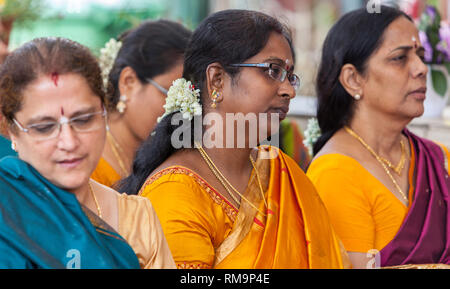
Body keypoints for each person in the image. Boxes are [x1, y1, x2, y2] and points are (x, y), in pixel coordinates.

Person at [120, 9, 349, 269]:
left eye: (290, 76)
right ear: (217, 80)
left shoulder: (281, 172)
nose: (288, 91)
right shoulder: (175, 191)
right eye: (272, 70)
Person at [0, 37, 175, 269]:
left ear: (104, 112)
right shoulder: (6, 209)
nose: (69, 142)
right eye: (44, 127)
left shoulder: (137, 219)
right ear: (12, 131)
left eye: (83, 120)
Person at [306, 6, 450, 269]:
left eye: (420, 55)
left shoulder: (439, 159)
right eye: (400, 58)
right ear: (353, 79)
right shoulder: (335, 173)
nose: (421, 68)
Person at [91, 20, 192, 188]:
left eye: (189, 100)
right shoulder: (86, 163)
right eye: (173, 94)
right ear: (128, 82)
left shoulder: (173, 161)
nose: (182, 112)